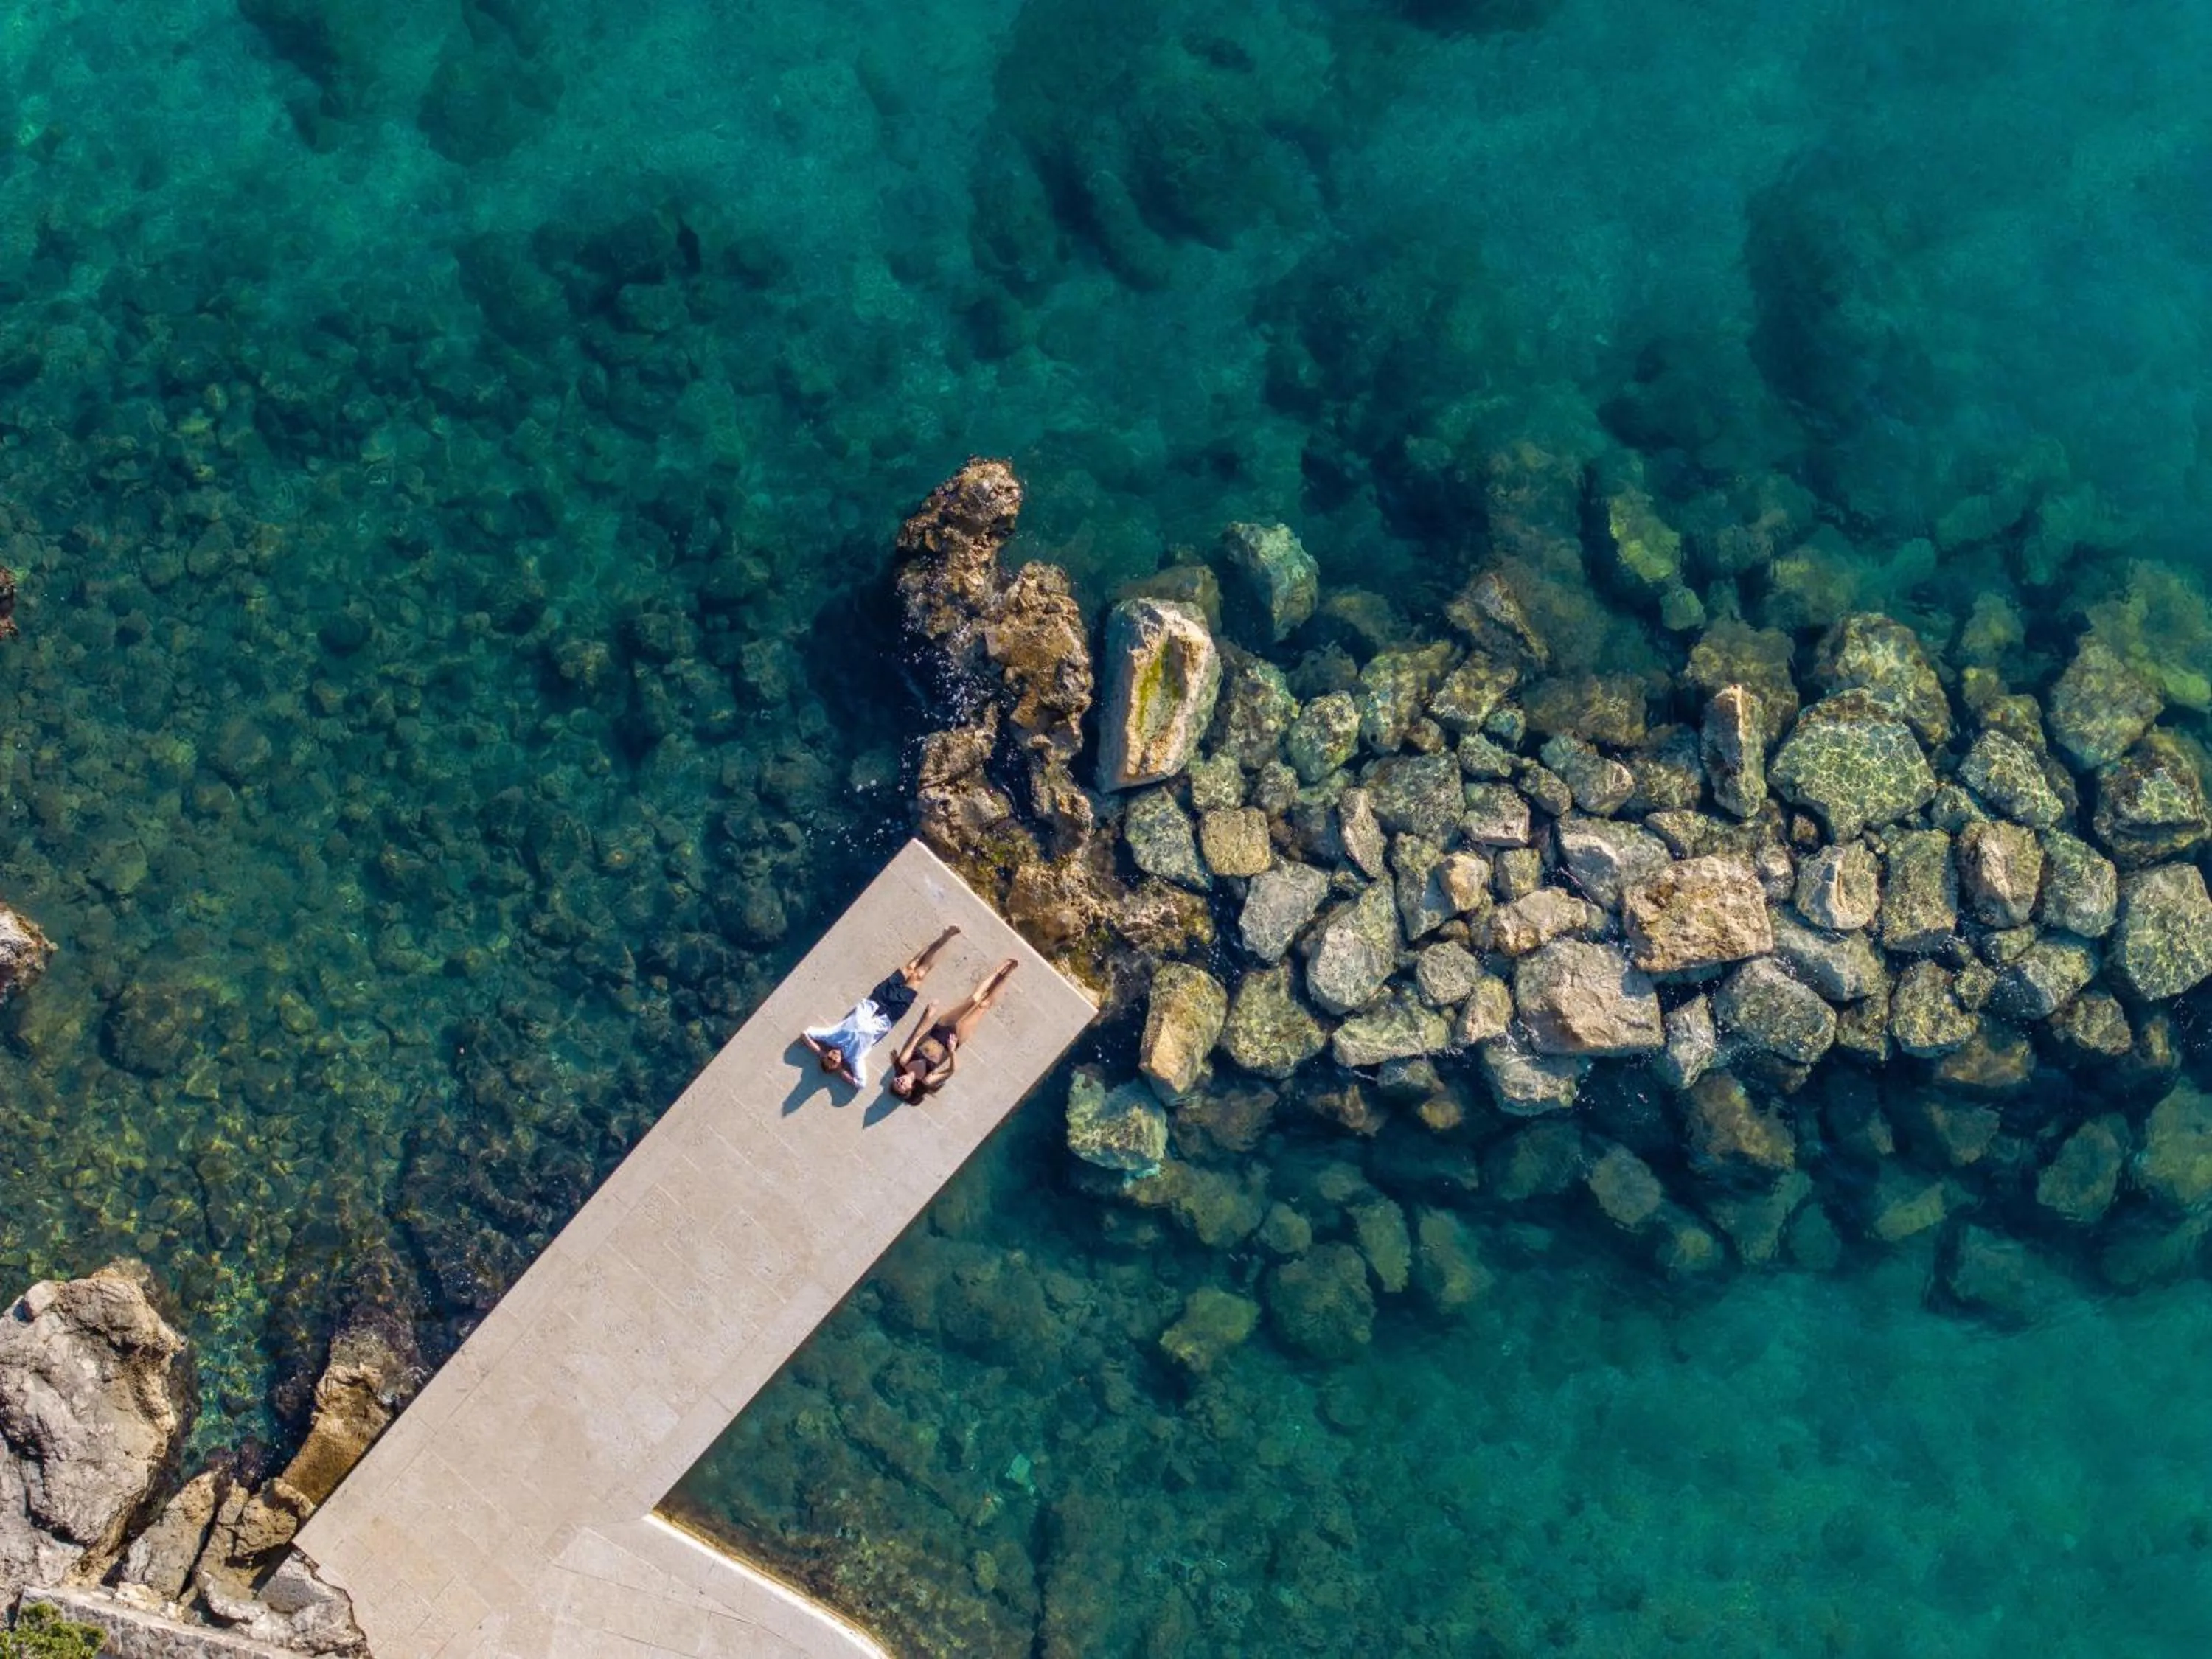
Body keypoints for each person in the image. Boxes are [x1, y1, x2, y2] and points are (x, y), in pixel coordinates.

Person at [801, 925, 958, 1088]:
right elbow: (861, 1083)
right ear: (839, 1064)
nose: (833, 1057)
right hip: (890, 1015)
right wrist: (843, 1073)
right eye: (834, 1062)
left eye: (828, 1058)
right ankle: (947, 938)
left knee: (911, 967)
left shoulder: (831, 1037)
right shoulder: (855, 1058)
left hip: (875, 1000)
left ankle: (941, 939)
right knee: (919, 975)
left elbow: (806, 1034)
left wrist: (819, 1052)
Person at [887, 957, 1018, 1101]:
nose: (900, 1082)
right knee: (983, 1005)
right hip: (954, 1041)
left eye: (897, 1082)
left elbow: (916, 1037)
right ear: (909, 1089)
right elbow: (951, 1070)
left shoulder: (904, 1062)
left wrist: (927, 1017)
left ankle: (998, 971)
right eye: (901, 1086)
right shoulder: (925, 1080)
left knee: (974, 1000)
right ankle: (1007, 975)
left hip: (940, 1029)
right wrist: (951, 1052)